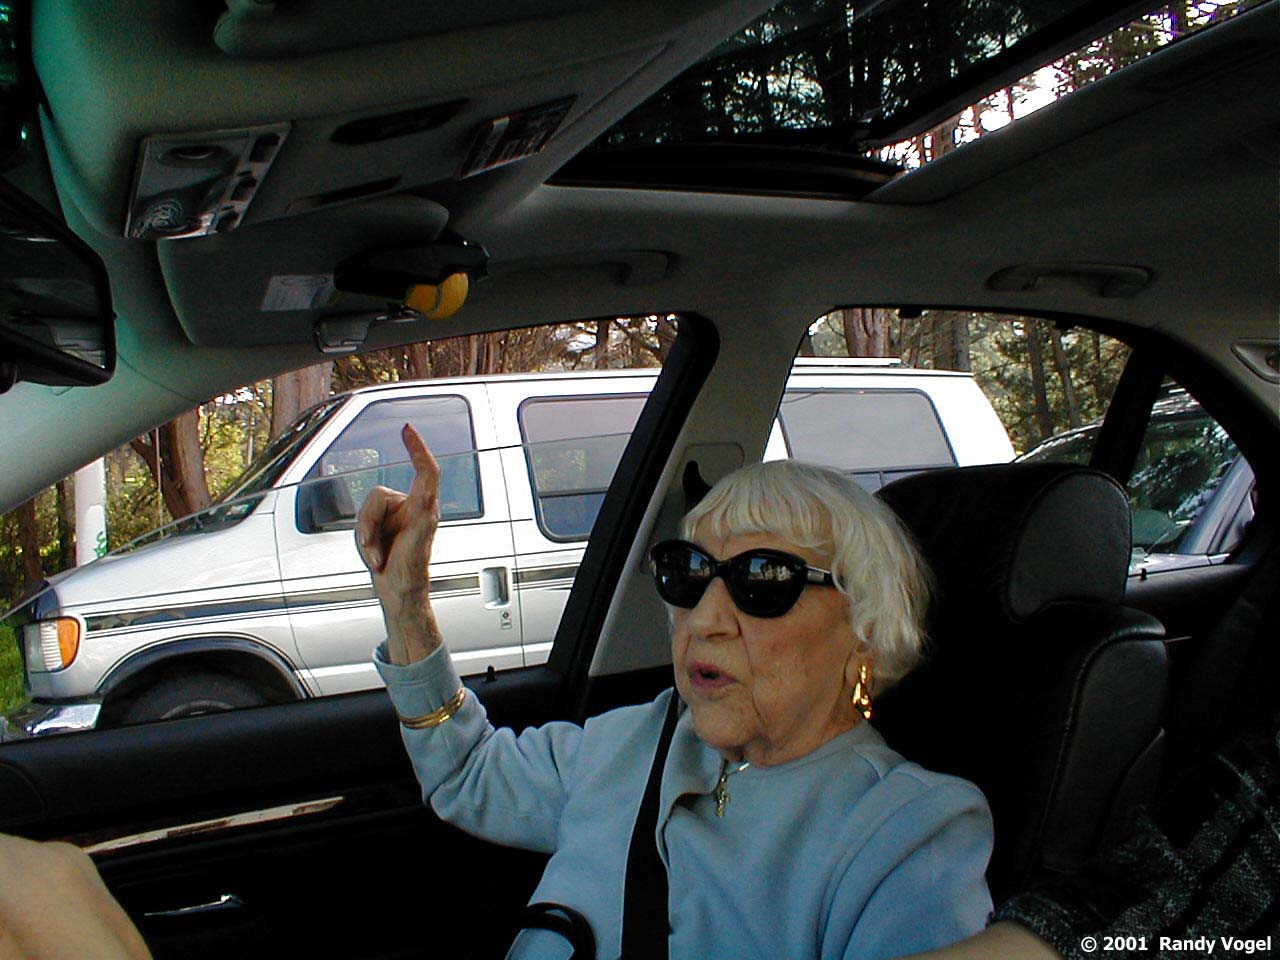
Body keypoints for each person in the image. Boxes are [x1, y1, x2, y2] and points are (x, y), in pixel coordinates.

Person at [357, 424, 994, 959]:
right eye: (689, 573)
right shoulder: (634, 738)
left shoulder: (908, 833)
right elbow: (469, 775)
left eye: (763, 578)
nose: (705, 619)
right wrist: (406, 602)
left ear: (866, 629)